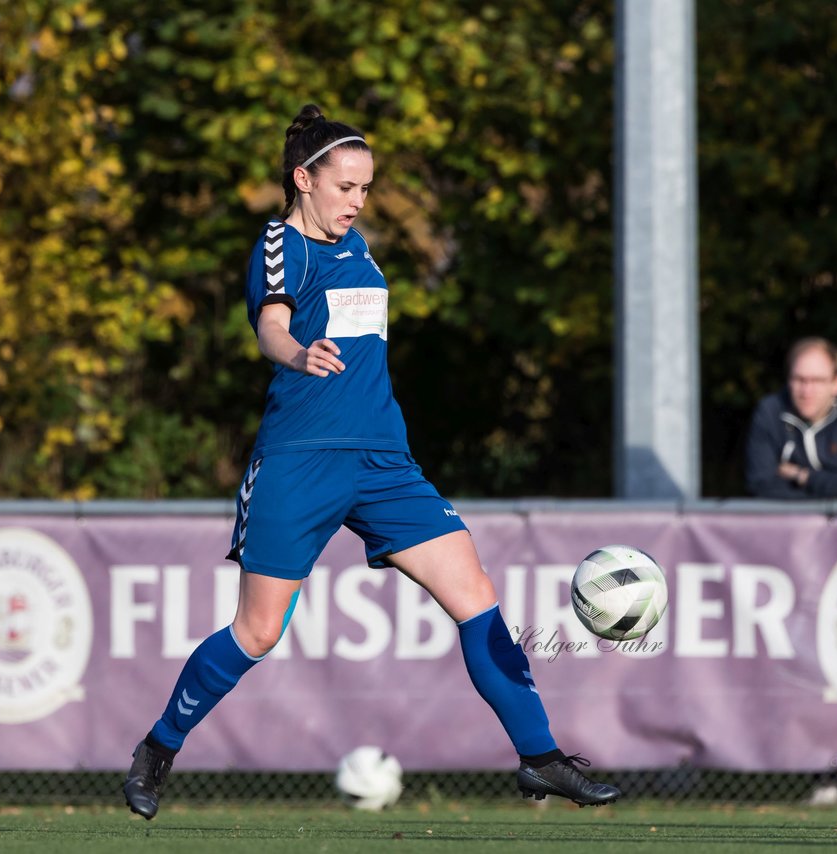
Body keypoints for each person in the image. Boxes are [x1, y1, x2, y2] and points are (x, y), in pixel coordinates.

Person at [122, 104, 621, 819]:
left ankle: (540, 757)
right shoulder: (280, 242)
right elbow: (270, 324)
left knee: (474, 592)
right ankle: (159, 747)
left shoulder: (360, 248)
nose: (357, 201)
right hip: (300, 461)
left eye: (365, 188)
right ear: (303, 178)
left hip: (384, 461)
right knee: (259, 631)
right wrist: (297, 351)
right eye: (346, 186)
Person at [746, 337, 837, 498]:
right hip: (792, 521)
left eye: (817, 380)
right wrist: (818, 511)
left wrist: (803, 476)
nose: (807, 391)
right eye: (799, 379)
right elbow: (760, 485)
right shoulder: (770, 412)